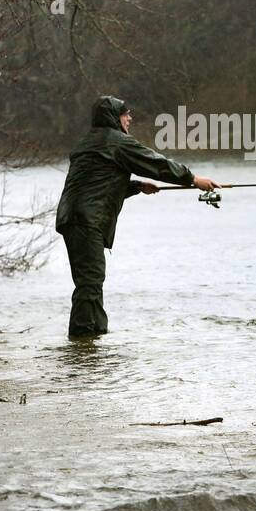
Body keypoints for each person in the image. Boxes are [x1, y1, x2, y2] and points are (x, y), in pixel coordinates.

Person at [55, 96, 219, 339]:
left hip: (72, 219)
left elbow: (96, 183)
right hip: (86, 221)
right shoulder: (116, 142)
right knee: (90, 283)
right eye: (125, 114)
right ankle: (82, 342)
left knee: (89, 282)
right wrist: (192, 179)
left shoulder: (87, 143)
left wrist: (137, 186)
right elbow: (156, 163)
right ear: (113, 117)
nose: (129, 118)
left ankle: (90, 345)